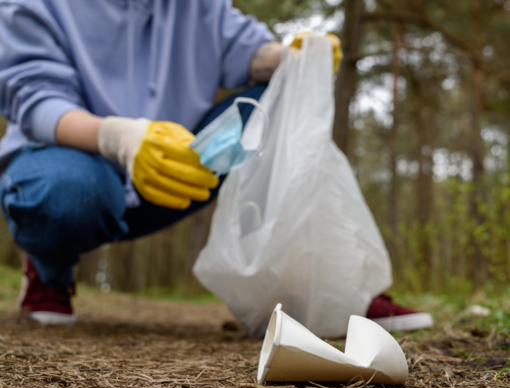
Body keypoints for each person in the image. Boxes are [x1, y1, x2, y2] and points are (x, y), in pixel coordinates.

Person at [0, 0, 432, 332]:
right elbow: (33, 95)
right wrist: (120, 138)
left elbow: (249, 53)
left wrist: (296, 58)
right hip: (71, 169)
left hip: (177, 174)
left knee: (271, 107)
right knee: (68, 194)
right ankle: (49, 270)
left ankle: (323, 287)